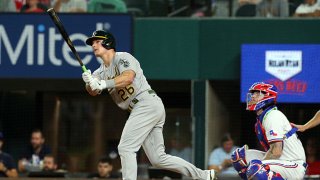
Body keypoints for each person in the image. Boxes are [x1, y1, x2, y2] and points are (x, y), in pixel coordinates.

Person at [82, 30, 217, 180]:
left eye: (97, 41)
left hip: (145, 103)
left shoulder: (122, 57)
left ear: (108, 42)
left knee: (126, 148)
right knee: (158, 159)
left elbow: (128, 77)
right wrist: (90, 83)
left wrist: (102, 83)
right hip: (142, 108)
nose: (94, 45)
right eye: (92, 43)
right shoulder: (100, 72)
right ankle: (204, 175)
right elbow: (93, 91)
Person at [231, 82, 306, 179]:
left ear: (268, 97)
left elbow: (276, 152)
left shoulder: (273, 116)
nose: (253, 96)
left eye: (258, 94)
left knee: (256, 168)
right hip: (280, 161)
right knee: (239, 156)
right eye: (253, 94)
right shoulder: (261, 119)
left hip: (293, 164)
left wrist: (258, 165)